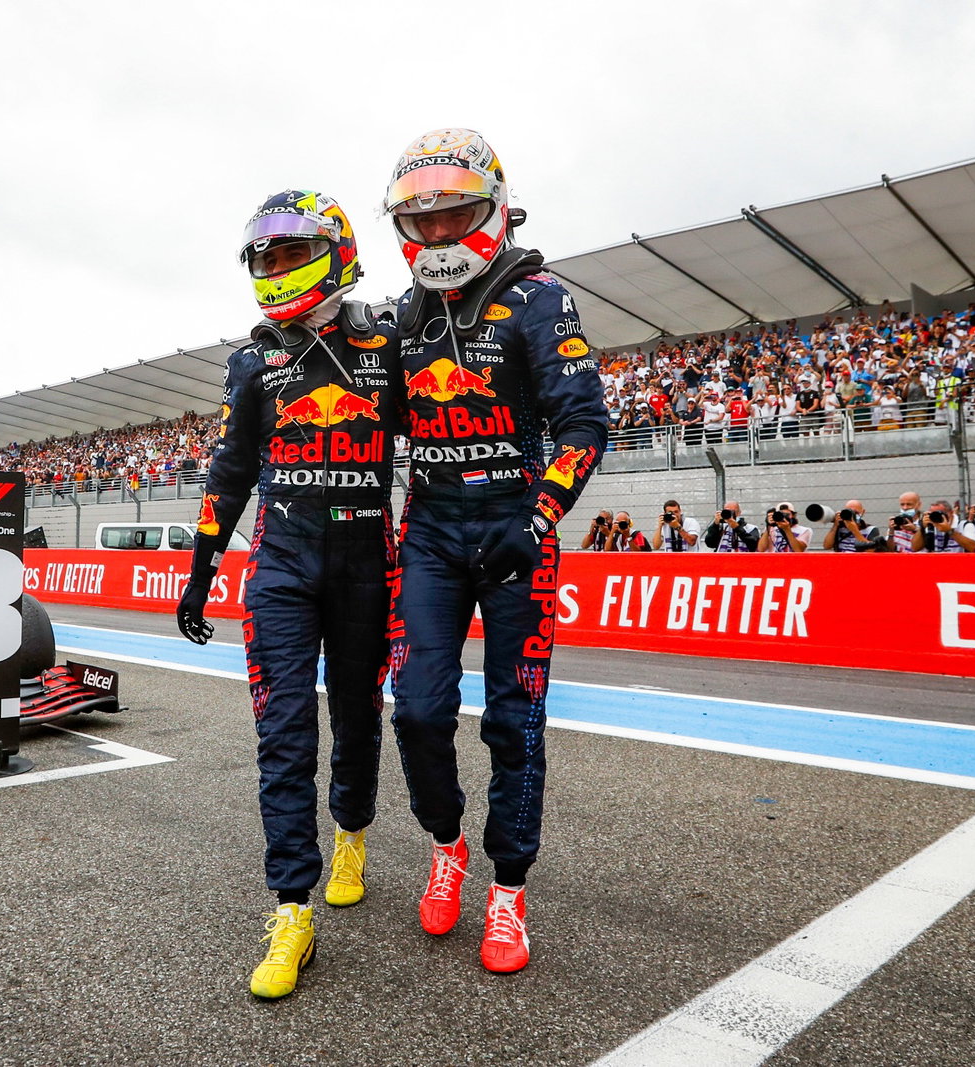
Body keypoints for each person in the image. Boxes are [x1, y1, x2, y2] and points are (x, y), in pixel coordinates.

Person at [382, 129, 607, 974]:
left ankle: (507, 892)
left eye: (456, 217)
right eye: (421, 222)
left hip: (520, 531)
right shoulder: (402, 316)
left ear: (495, 208)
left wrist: (540, 515)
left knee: (516, 720)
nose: (438, 237)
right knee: (418, 710)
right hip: (432, 532)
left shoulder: (542, 296)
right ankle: (447, 846)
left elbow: (586, 423)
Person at [176, 189, 401, 1000]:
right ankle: (291, 908)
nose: (273, 269)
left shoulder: (387, 342)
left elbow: (449, 439)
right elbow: (229, 472)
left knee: (356, 716)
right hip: (279, 563)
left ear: (334, 251)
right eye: (262, 258)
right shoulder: (251, 360)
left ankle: (351, 830)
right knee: (282, 734)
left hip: (369, 559)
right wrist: (201, 567)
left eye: (287, 254)